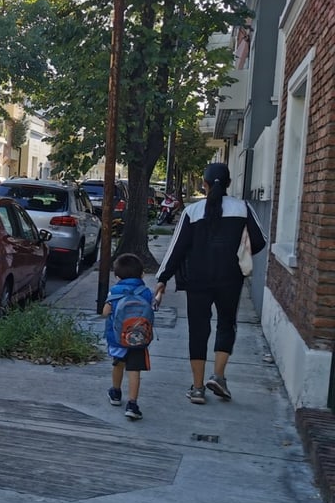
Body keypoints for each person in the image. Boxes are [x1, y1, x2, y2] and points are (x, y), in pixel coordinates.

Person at [154, 162, 266, 404]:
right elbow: (260, 241)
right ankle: (218, 376)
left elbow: (177, 248)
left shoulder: (192, 212)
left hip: (197, 280)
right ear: (228, 184)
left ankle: (197, 388)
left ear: (204, 185)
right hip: (230, 278)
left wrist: (163, 278)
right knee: (227, 324)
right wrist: (239, 249)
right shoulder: (243, 208)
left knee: (198, 330)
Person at [103, 253, 154, 421]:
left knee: (118, 365)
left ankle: (116, 393)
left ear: (117, 276)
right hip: (138, 339)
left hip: (118, 338)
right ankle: (132, 404)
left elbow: (105, 312)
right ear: (142, 274)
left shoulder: (115, 291)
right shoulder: (145, 292)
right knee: (134, 371)